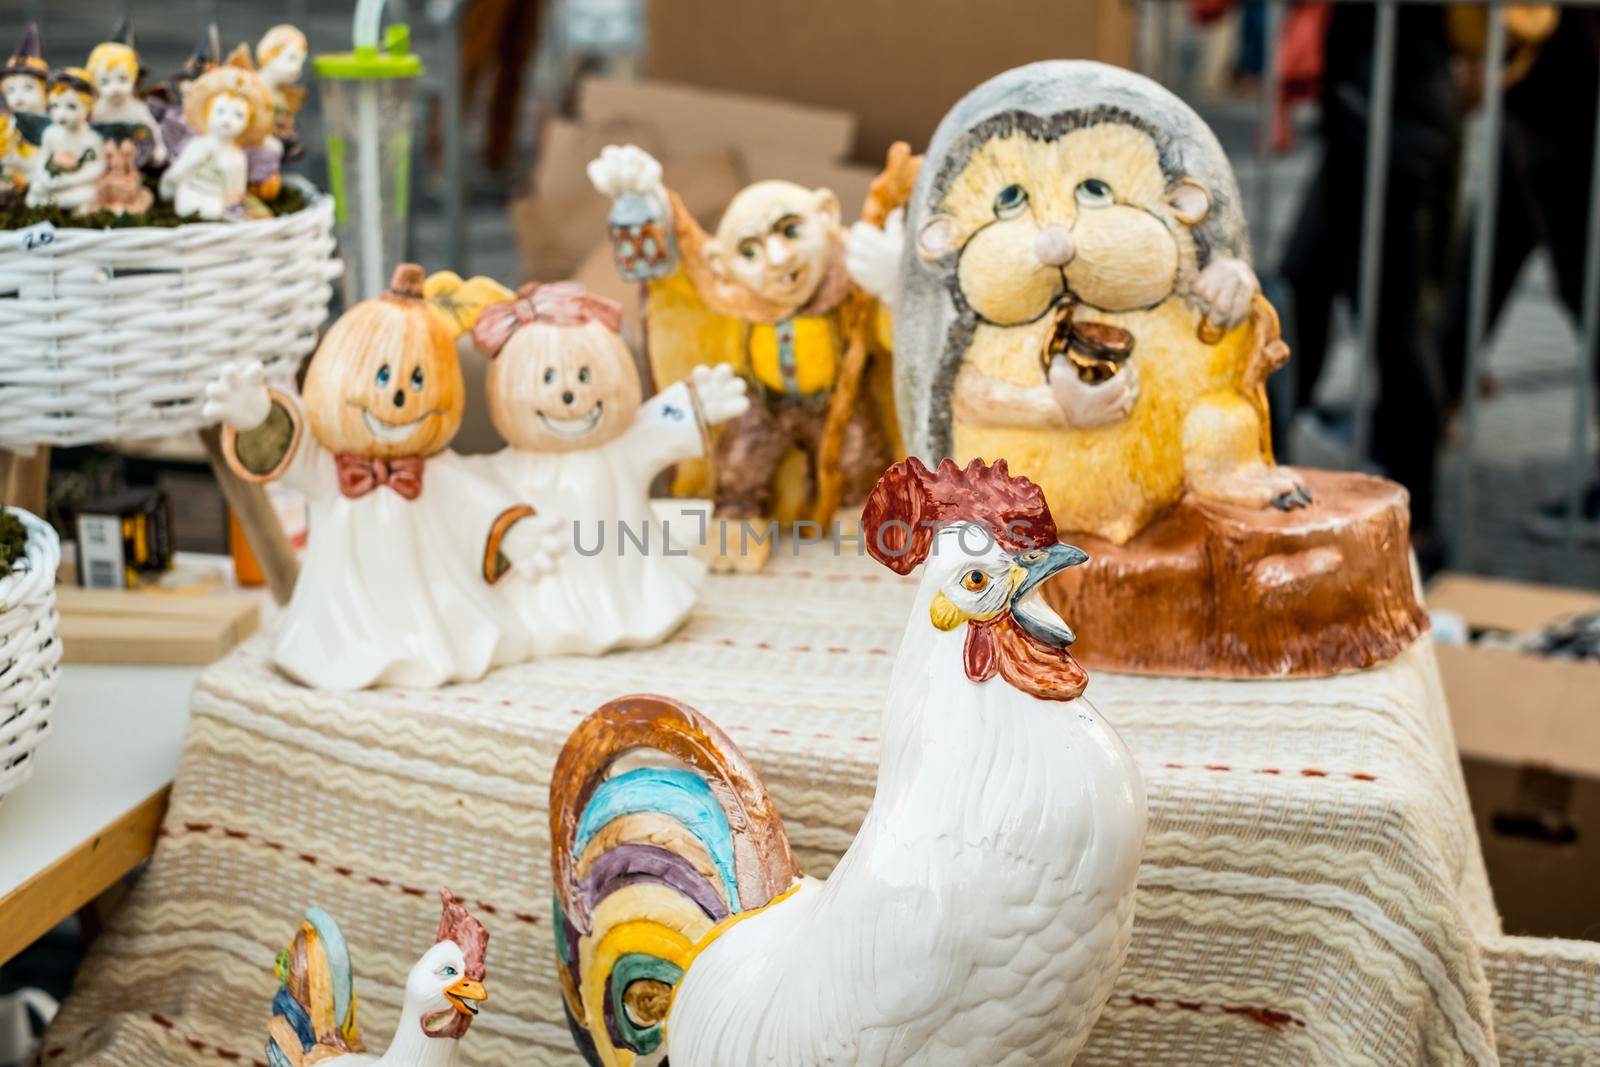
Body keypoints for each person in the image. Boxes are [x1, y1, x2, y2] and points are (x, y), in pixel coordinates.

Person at [1277, 4, 1461, 564]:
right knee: (1301, 289)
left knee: (1391, 321)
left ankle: (1420, 522)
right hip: (1366, 118)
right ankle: (1270, 483)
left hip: (1392, 124)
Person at [1435, 9, 1600, 545]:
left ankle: (1434, 392)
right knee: (1498, 236)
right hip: (1544, 58)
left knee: (1582, 274)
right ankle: (1436, 391)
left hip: (1564, 54)